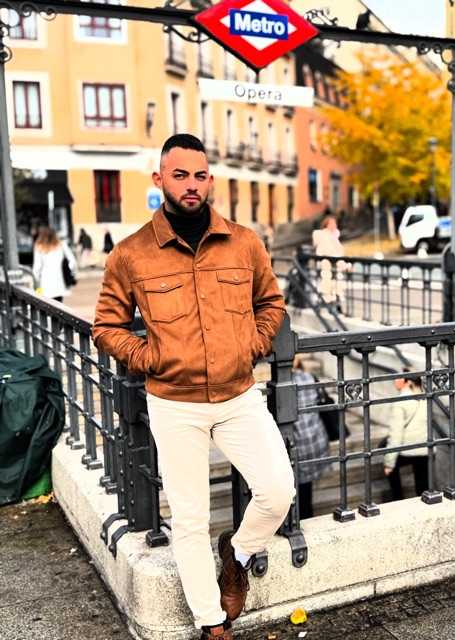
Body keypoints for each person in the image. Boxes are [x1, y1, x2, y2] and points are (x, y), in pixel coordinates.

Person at [92, 134, 294, 640]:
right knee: (188, 519)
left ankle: (237, 555)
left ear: (209, 180)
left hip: (238, 395)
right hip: (174, 403)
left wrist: (252, 344)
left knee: (277, 490)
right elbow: (106, 327)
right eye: (180, 175)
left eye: (200, 175)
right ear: (159, 179)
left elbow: (271, 303)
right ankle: (212, 623)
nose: (191, 185)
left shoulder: (244, 242)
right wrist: (152, 359)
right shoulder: (132, 253)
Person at [291, 355, 330, 519]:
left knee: (293, 490)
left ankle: (295, 521)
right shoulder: (309, 377)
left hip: (295, 443)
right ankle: (305, 517)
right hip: (315, 439)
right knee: (305, 491)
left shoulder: (283, 383)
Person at [383, 370, 429, 501]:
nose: (395, 380)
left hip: (407, 449)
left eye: (399, 378)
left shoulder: (400, 402)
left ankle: (398, 499)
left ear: (408, 382)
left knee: (391, 468)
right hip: (425, 448)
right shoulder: (426, 398)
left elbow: (396, 435)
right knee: (422, 485)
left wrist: (389, 463)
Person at [32, 227, 76, 303]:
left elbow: (37, 268)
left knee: (46, 306)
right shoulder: (61, 245)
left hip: (45, 284)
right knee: (58, 305)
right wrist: (68, 270)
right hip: (59, 283)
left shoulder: (39, 247)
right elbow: (73, 261)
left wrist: (36, 284)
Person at [311, 215, 345, 309]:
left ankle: (335, 299)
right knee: (327, 280)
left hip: (335, 262)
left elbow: (339, 252)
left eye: (334, 223)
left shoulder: (335, 237)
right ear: (326, 225)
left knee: (337, 281)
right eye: (331, 223)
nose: (333, 225)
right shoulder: (323, 235)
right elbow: (327, 250)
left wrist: (344, 264)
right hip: (326, 262)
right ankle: (328, 300)